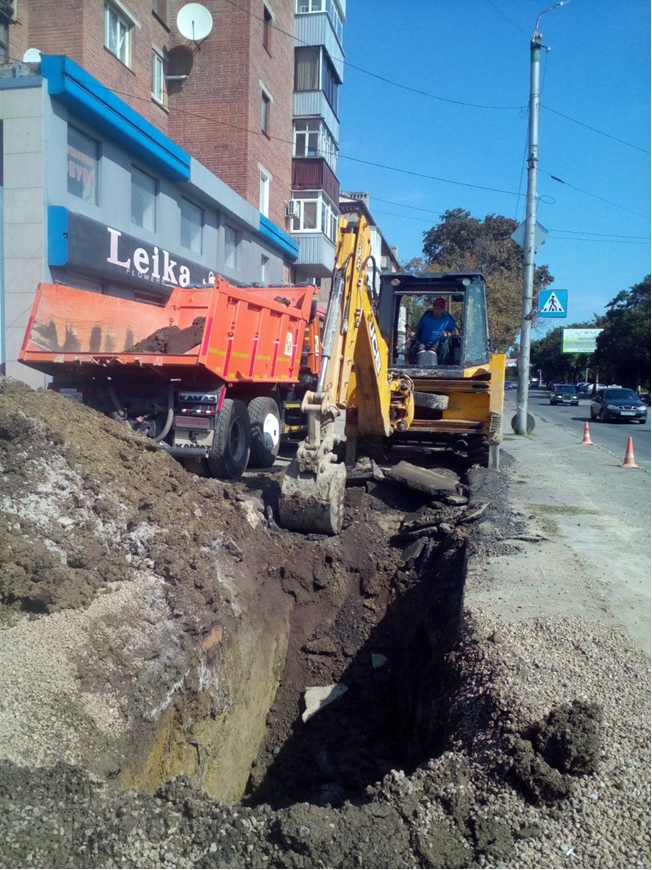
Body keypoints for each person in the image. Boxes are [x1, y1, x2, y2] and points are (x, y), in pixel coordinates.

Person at [412, 297, 458, 364]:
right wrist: (413, 332)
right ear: (433, 307)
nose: (436, 310)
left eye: (439, 308)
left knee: (444, 348)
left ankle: (441, 368)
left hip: (438, 344)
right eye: (435, 307)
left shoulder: (447, 320)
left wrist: (448, 334)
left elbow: (455, 332)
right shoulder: (426, 317)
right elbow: (418, 328)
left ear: (443, 309)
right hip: (423, 343)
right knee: (412, 348)